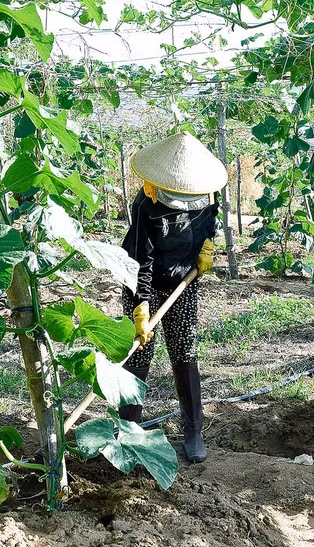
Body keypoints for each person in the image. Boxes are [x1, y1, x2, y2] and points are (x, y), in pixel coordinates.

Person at [119, 131, 228, 464]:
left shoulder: (206, 195)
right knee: (138, 355)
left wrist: (207, 244)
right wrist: (141, 307)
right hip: (143, 282)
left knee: (185, 350)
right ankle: (128, 433)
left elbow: (210, 222)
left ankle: (193, 430)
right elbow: (141, 259)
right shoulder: (147, 204)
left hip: (183, 281)